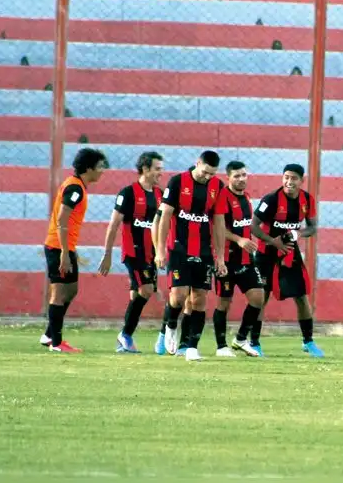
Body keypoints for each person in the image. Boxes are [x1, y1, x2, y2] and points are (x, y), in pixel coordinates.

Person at [154, 151, 229, 363]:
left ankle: (191, 348)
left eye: (211, 174)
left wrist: (220, 257)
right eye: (205, 172)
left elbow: (219, 222)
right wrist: (160, 250)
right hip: (178, 248)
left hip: (204, 250)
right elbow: (165, 217)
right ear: (198, 163)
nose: (207, 177)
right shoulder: (177, 181)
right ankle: (170, 325)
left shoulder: (218, 187)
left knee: (200, 299)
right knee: (178, 297)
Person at [249, 164, 325, 358]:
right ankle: (254, 343)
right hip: (266, 254)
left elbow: (313, 227)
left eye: (294, 178)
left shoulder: (307, 200)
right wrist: (271, 241)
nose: (289, 182)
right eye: (286, 177)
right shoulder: (271, 199)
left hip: (290, 253)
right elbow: (253, 226)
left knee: (301, 297)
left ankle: (308, 341)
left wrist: (298, 233)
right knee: (261, 297)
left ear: (301, 181)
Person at [40, 148, 108, 353]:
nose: (102, 171)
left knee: (71, 290)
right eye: (100, 167)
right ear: (89, 168)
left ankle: (49, 334)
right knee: (60, 293)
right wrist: (63, 252)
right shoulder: (75, 189)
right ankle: (57, 343)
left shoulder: (77, 186)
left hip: (66, 247)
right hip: (58, 247)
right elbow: (62, 220)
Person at [97, 151, 165, 354]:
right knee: (147, 290)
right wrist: (107, 253)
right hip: (133, 252)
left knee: (137, 294)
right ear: (145, 169)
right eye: (157, 169)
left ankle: (125, 341)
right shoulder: (128, 193)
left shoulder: (160, 194)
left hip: (151, 254)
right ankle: (125, 335)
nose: (160, 173)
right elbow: (113, 224)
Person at [214, 161, 263, 358]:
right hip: (226, 258)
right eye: (237, 176)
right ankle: (220, 346)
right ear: (228, 178)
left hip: (245, 259)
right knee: (224, 302)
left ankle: (241, 339)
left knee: (258, 297)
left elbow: (244, 225)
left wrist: (249, 241)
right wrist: (239, 240)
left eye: (244, 175)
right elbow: (218, 229)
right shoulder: (223, 197)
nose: (242, 179)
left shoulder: (247, 198)